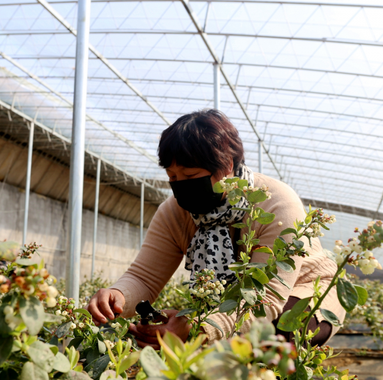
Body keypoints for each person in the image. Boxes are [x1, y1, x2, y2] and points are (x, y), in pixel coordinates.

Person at [86, 109, 345, 348]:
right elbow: (144, 277)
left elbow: (265, 298)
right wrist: (118, 295)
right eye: (173, 177)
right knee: (213, 341)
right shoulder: (174, 213)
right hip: (231, 302)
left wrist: (198, 327)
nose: (180, 185)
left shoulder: (275, 203)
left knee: (273, 338)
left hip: (305, 290)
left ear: (227, 167)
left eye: (190, 176)